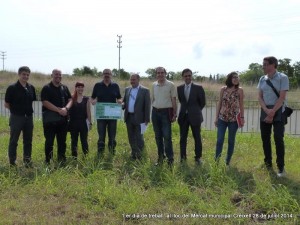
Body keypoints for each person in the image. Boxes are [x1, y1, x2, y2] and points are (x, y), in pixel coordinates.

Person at [257, 56, 289, 177]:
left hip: (279, 109)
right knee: (265, 138)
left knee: (278, 138)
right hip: (265, 108)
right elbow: (259, 96)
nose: (263, 66)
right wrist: (266, 110)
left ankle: (281, 167)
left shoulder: (283, 77)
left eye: (265, 64)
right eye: (263, 64)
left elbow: (282, 97)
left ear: (273, 65)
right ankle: (268, 164)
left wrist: (272, 111)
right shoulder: (262, 79)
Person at [4, 66, 37, 167]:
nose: (25, 76)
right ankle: (12, 162)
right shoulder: (12, 88)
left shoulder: (31, 88)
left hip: (29, 118)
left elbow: (31, 101)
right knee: (14, 140)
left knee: (28, 140)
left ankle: (27, 161)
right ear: (19, 74)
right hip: (17, 118)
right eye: (23, 74)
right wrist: (16, 112)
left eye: (27, 75)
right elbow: (6, 104)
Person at [41, 69, 72, 164]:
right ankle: (48, 160)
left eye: (60, 74)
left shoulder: (64, 88)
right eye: (56, 74)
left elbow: (70, 100)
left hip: (62, 121)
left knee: (62, 142)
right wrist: (59, 110)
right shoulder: (46, 88)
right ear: (52, 75)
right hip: (50, 121)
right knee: (49, 142)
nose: (58, 76)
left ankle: (61, 160)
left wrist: (66, 109)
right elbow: (45, 102)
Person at [214, 72, 245, 166]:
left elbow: (241, 104)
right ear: (229, 79)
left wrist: (242, 117)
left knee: (231, 141)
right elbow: (219, 103)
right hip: (222, 118)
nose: (236, 79)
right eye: (234, 77)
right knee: (220, 140)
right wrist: (216, 117)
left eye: (237, 77)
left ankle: (227, 162)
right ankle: (216, 161)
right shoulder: (223, 89)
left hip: (233, 120)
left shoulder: (240, 90)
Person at [177, 68, 206, 164]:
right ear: (183, 77)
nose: (187, 77)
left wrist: (195, 111)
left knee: (197, 137)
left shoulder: (198, 88)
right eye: (185, 76)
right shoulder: (179, 88)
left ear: (191, 76)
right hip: (183, 117)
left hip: (195, 117)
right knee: (182, 138)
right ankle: (183, 157)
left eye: (189, 75)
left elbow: (202, 103)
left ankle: (198, 158)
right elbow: (182, 101)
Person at [91, 69, 122, 155]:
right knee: (101, 135)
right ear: (102, 75)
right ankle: (100, 152)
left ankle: (112, 151)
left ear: (111, 75)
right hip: (101, 115)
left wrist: (119, 101)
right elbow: (92, 97)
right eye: (105, 73)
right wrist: (93, 101)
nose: (106, 75)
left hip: (112, 116)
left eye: (108, 73)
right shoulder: (97, 85)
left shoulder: (115, 86)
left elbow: (119, 97)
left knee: (112, 135)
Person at [151, 67, 177, 165]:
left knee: (167, 137)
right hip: (155, 113)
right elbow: (152, 99)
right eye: (158, 73)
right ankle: (161, 158)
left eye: (162, 72)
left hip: (166, 113)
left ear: (165, 74)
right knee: (158, 137)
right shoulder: (154, 85)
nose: (160, 74)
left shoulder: (171, 85)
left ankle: (170, 160)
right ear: (156, 74)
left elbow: (174, 100)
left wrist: (175, 114)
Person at [123, 74, 151, 160]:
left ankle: (140, 155)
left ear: (138, 80)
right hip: (129, 117)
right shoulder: (127, 89)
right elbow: (124, 102)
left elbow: (147, 105)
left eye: (134, 80)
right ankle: (133, 153)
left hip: (140, 118)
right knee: (131, 137)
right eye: (131, 80)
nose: (132, 81)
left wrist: (147, 119)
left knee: (139, 138)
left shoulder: (145, 91)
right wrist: (120, 105)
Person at [68, 82, 92, 159]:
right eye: (78, 87)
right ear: (76, 88)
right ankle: (74, 157)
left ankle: (86, 156)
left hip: (83, 123)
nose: (80, 88)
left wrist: (90, 122)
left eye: (82, 87)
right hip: (73, 123)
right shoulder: (71, 98)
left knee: (84, 141)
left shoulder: (86, 99)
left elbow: (88, 111)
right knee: (74, 141)